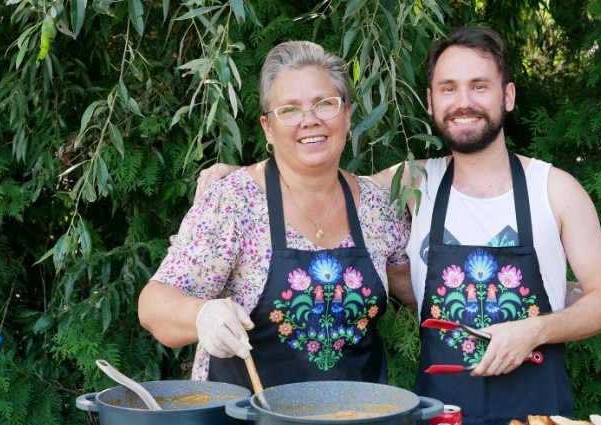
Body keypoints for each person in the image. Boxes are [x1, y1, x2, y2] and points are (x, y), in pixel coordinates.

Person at [195, 27, 601, 425]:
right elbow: (317, 175)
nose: (463, 102)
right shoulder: (410, 185)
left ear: (507, 96)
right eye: (448, 88)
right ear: (431, 101)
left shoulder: (554, 189)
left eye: (479, 86)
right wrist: (239, 179)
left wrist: (535, 330)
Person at [138, 41, 411, 392]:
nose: (309, 120)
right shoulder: (233, 202)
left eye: (324, 104)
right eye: (290, 109)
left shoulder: (378, 207)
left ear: (347, 114)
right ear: (268, 127)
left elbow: (419, 292)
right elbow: (153, 304)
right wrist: (200, 315)